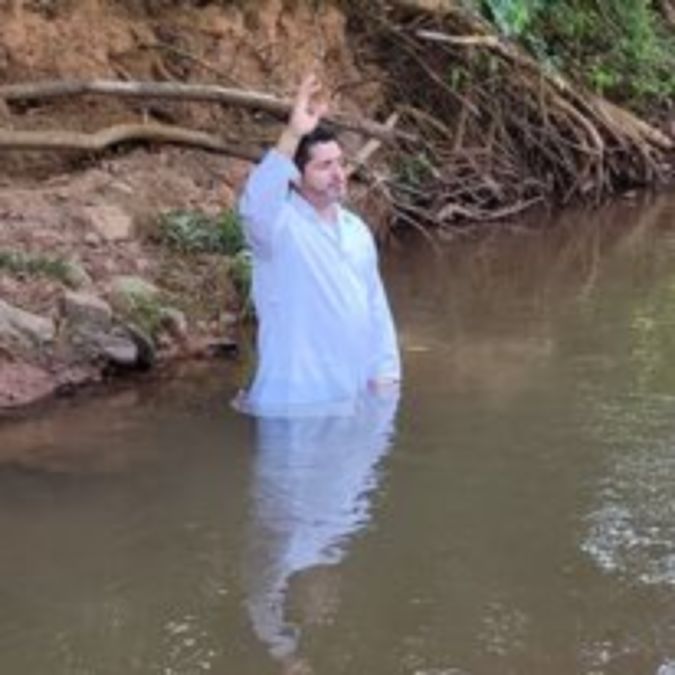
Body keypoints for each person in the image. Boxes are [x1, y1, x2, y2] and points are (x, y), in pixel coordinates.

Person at [235, 74, 401, 418]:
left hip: (354, 397)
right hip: (292, 401)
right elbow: (254, 204)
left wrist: (386, 375)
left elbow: (375, 308)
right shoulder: (277, 228)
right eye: (325, 166)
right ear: (295, 177)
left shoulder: (356, 230)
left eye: (340, 162)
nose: (339, 174)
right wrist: (293, 134)